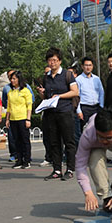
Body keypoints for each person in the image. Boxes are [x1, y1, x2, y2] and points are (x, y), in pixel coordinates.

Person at [38, 47, 79, 180]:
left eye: (55, 60)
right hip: (51, 113)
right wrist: (42, 94)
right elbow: (46, 97)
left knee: (69, 141)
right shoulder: (47, 77)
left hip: (65, 111)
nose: (52, 63)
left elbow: (75, 92)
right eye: (50, 60)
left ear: (60, 61)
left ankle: (70, 169)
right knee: (54, 142)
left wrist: (59, 96)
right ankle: (56, 169)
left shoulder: (67, 74)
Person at [5, 70, 33, 169]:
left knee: (25, 140)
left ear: (19, 79)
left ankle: (27, 160)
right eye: (11, 79)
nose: (12, 80)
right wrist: (7, 119)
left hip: (23, 118)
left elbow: (29, 106)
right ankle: (19, 159)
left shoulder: (25, 90)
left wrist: (28, 119)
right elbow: (8, 107)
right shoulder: (10, 92)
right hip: (13, 119)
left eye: (14, 79)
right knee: (16, 140)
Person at [75, 57, 105, 139]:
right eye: (86, 65)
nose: (88, 67)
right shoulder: (78, 80)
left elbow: (101, 93)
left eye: (90, 65)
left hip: (96, 107)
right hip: (84, 108)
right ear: (82, 66)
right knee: (81, 132)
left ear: (92, 66)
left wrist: (101, 106)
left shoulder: (96, 79)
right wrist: (79, 111)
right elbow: (76, 96)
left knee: (97, 130)